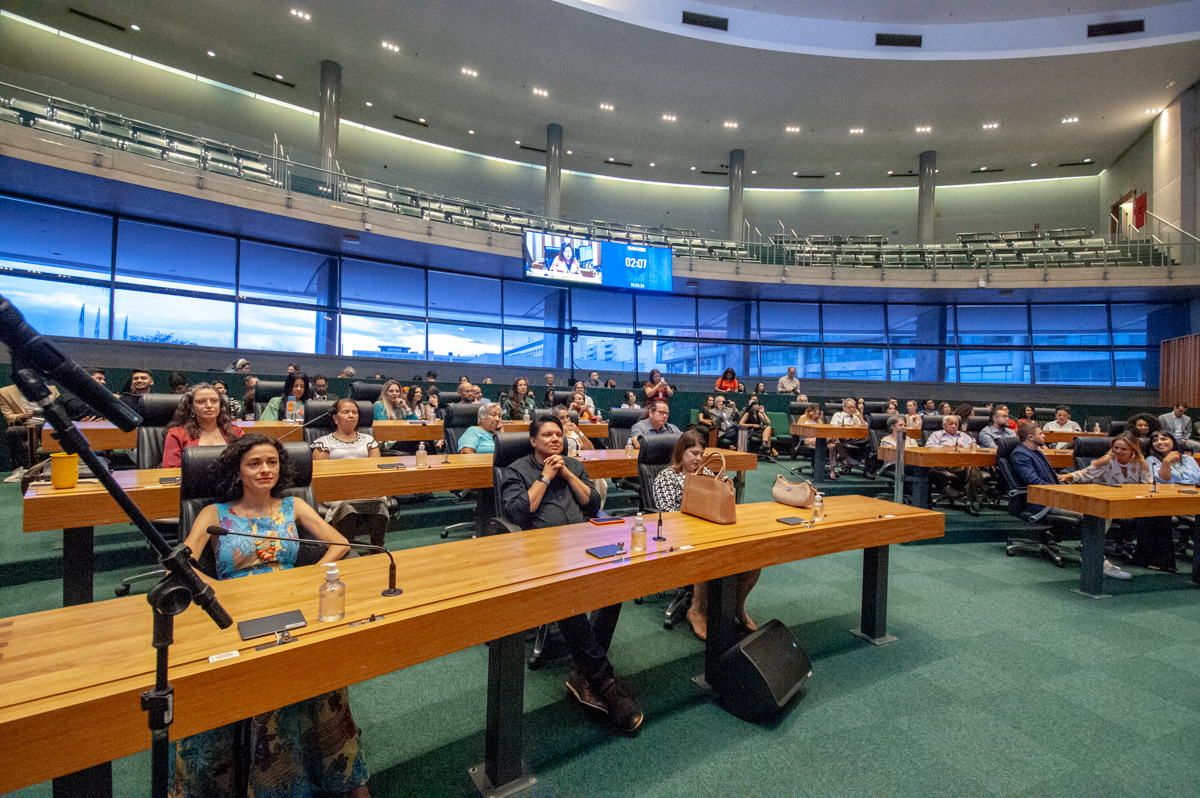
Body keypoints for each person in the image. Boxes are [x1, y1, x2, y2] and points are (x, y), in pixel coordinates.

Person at [173, 435, 370, 796]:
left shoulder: (293, 505)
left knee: (323, 673)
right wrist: (216, 592)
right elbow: (184, 563)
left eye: (271, 463)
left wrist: (307, 576)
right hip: (235, 610)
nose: (265, 470)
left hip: (290, 603)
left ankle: (334, 774)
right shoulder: (214, 514)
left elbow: (340, 543)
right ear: (238, 470)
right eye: (254, 463)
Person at [499, 417, 642, 733]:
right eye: (547, 435)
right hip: (540, 550)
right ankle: (604, 683)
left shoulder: (573, 466)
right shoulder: (516, 470)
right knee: (568, 596)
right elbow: (517, 512)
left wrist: (566, 473)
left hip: (582, 542)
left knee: (615, 584)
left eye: (559, 435)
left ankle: (584, 672)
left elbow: (592, 503)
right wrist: (546, 476)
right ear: (533, 441)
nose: (555, 439)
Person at [653, 430, 760, 641]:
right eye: (693, 453)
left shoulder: (709, 474)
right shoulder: (666, 477)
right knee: (706, 549)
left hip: (712, 530)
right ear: (681, 452)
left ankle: (737, 606)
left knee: (753, 554)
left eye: (701, 454)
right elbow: (667, 515)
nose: (698, 459)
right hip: (679, 536)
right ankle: (697, 610)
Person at [1062, 431, 1170, 571]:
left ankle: (1154, 559)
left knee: (1161, 513)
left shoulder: (1140, 462)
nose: (1118, 451)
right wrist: (1067, 476)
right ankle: (1092, 551)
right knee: (1102, 512)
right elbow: (1084, 474)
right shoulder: (1107, 460)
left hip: (1130, 502)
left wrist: (1151, 485)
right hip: (1106, 501)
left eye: (1123, 449)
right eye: (1116, 448)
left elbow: (1147, 482)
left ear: (1133, 450)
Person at [310, 399, 388, 547]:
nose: (351, 415)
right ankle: (344, 548)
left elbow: (375, 469)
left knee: (380, 502)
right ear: (335, 417)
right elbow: (321, 475)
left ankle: (377, 548)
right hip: (335, 489)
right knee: (346, 506)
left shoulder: (369, 440)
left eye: (355, 412)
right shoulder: (324, 443)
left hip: (364, 488)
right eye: (345, 412)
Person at [162, 383, 244, 468]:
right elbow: (171, 470)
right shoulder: (176, 435)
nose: (209, 405)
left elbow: (246, 462)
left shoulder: (235, 432)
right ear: (191, 407)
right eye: (201, 401)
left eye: (214, 401)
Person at [0, 377, 58, 482]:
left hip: (47, 424)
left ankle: (54, 468)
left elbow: (60, 408)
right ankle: (20, 469)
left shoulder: (52, 390)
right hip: (26, 425)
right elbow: (8, 415)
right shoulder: (5, 392)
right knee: (12, 431)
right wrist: (21, 416)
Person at [926, 414, 984, 515]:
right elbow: (928, 447)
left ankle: (970, 502)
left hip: (964, 464)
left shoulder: (964, 436)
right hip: (946, 463)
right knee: (972, 468)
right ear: (943, 425)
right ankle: (981, 492)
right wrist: (949, 448)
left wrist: (965, 448)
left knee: (972, 469)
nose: (953, 426)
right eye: (951, 424)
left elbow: (977, 447)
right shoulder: (937, 435)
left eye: (956, 424)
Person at [827, 397, 867, 478]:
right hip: (843, 439)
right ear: (844, 408)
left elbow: (866, 428)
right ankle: (846, 460)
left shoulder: (856, 416)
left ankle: (868, 469)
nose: (852, 409)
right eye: (850, 407)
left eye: (854, 407)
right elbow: (833, 429)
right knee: (833, 444)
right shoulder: (838, 415)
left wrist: (860, 417)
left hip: (855, 440)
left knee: (869, 439)